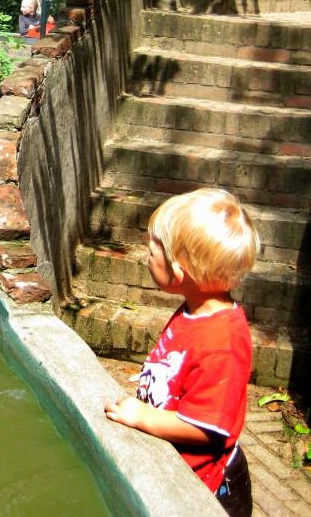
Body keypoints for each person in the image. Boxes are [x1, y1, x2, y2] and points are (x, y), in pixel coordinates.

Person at [104, 188, 259, 516]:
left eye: (152, 250)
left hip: (210, 491)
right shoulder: (193, 310)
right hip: (181, 471)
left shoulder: (222, 343)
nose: (146, 256)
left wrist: (145, 416)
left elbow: (206, 426)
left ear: (177, 272)